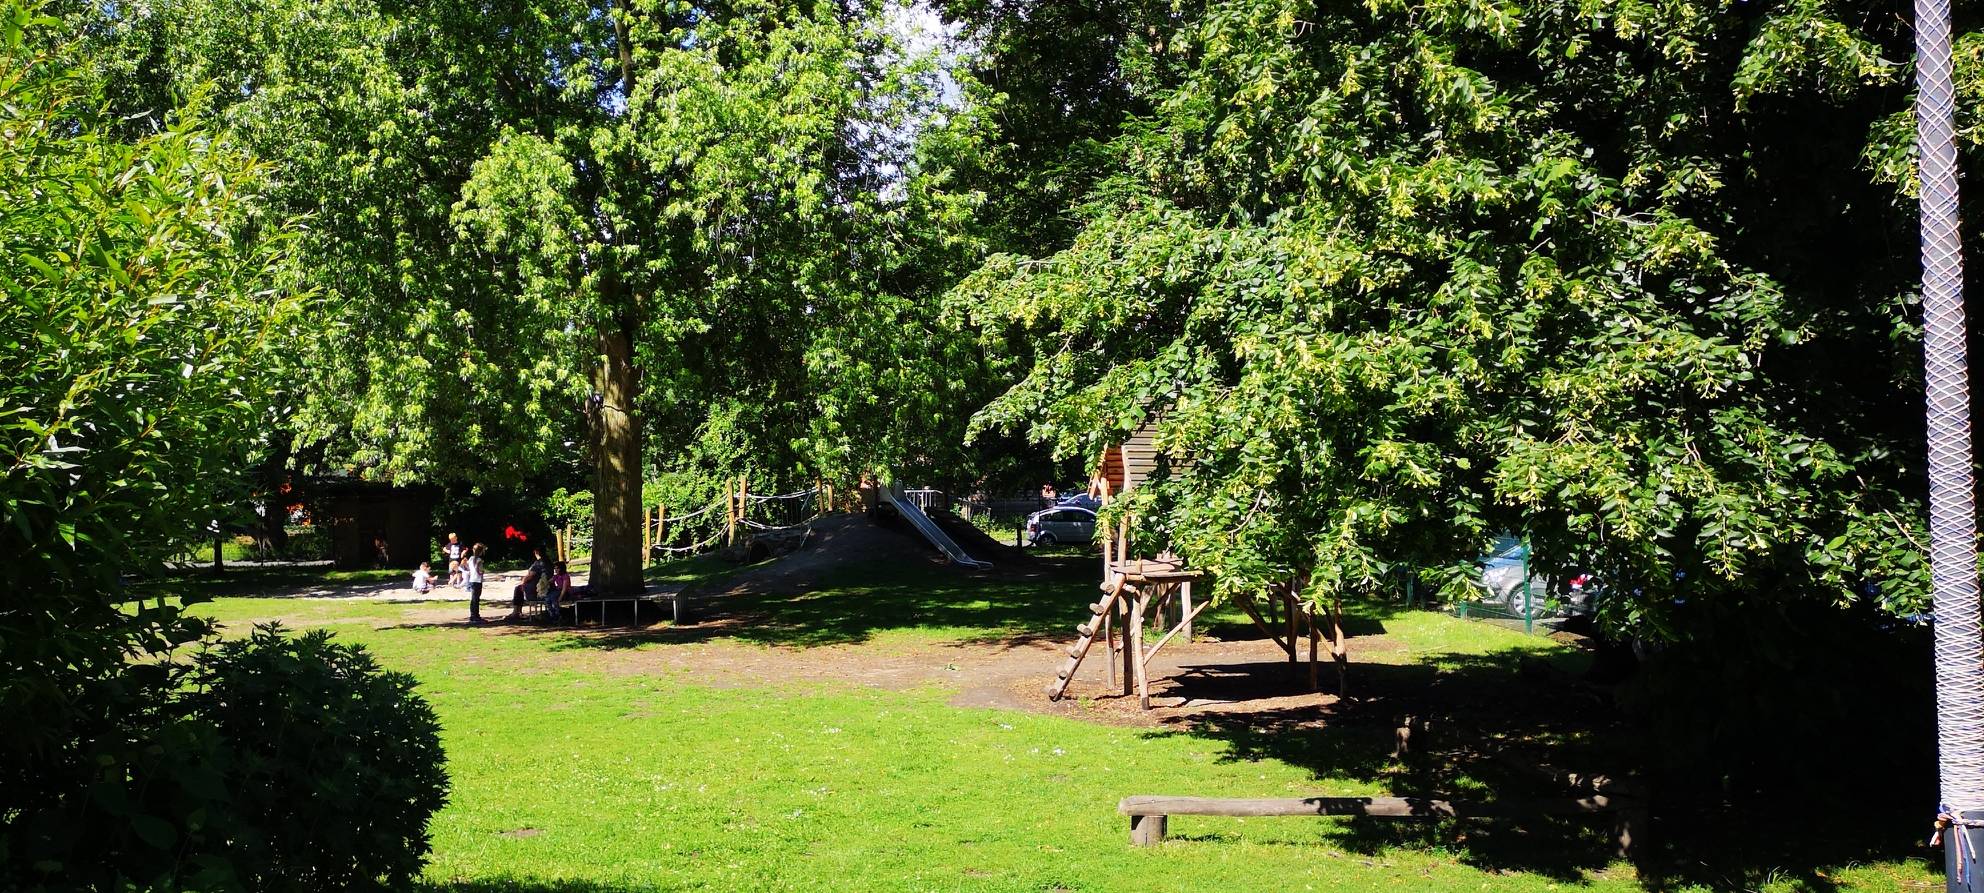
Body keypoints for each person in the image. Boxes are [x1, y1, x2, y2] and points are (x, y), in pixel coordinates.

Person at [507, 546, 549, 622]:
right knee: (519, 587)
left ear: (537, 552)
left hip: (536, 588)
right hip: (546, 587)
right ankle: (518, 612)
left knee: (518, 588)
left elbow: (530, 575)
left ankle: (516, 612)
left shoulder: (539, 563)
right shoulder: (549, 562)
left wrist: (523, 582)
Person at [464, 543, 488, 623]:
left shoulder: (471, 558)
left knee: (473, 599)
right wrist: (482, 572)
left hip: (472, 580)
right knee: (476, 599)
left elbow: (468, 567)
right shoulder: (479, 560)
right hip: (477, 581)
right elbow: (479, 571)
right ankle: (475, 616)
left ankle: (473, 615)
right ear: (481, 552)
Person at [545, 560, 573, 625]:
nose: (555, 570)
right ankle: (552, 615)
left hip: (565, 592)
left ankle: (558, 615)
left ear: (561, 568)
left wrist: (560, 597)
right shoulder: (556, 576)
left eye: (557, 568)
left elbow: (564, 588)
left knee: (553, 597)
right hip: (557, 591)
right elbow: (549, 581)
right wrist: (543, 583)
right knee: (547, 598)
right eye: (555, 568)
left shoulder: (565, 576)